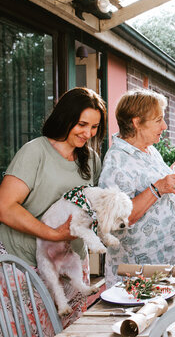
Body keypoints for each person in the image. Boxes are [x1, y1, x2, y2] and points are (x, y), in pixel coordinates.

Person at [0, 87, 106, 333]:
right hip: (25, 261)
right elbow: (4, 207)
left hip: (71, 261)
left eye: (94, 127)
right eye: (82, 124)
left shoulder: (91, 159)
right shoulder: (35, 152)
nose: (88, 133)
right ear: (65, 118)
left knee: (72, 330)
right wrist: (54, 234)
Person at [98, 89, 175, 287]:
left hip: (169, 255)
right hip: (140, 271)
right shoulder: (116, 161)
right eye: (158, 120)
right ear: (136, 122)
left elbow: (157, 184)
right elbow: (117, 220)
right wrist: (158, 188)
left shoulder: (149, 150)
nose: (164, 126)